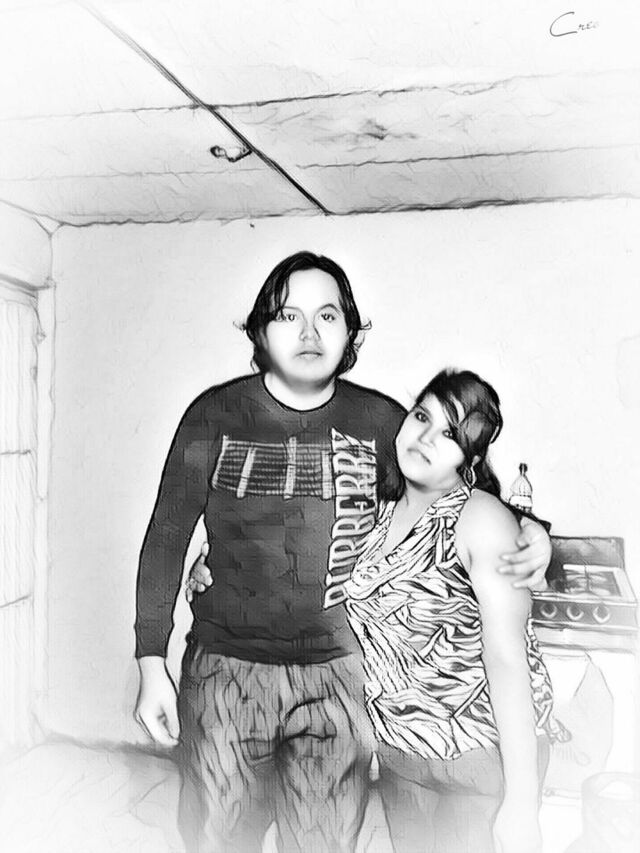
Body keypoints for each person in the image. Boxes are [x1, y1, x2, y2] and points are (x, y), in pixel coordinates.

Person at [135, 251, 551, 853]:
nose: (309, 333)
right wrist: (151, 660)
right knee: (217, 839)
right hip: (225, 671)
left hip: (340, 681)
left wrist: (531, 532)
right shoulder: (212, 416)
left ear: (350, 331)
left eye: (327, 316)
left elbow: (460, 490)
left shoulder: (385, 423)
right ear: (262, 330)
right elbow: (166, 537)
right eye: (289, 315)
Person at [344, 370, 559, 853]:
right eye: (422, 417)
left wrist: (522, 803)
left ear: (471, 459)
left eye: (449, 434)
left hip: (480, 756)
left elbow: (508, 661)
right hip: (403, 755)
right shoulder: (378, 515)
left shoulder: (480, 517)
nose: (425, 438)